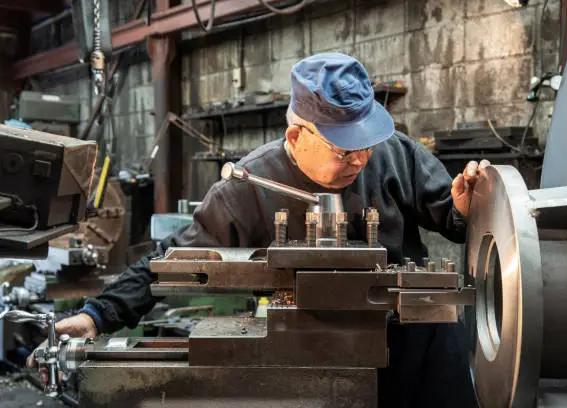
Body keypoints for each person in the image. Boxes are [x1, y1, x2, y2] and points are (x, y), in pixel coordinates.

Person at [29, 52, 488, 407]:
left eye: (365, 143)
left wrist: (463, 209)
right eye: (344, 151)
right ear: (296, 137)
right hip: (309, 352)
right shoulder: (249, 185)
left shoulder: (393, 153)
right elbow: (175, 262)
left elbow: (449, 217)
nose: (361, 159)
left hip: (415, 341)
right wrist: (98, 315)